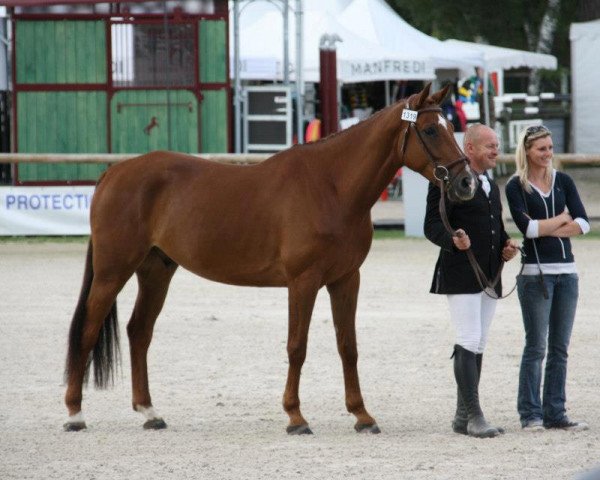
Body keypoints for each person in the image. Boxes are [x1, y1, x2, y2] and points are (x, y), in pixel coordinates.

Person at [424, 123, 519, 438]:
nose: (496, 150)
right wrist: (453, 239)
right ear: (470, 149)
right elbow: (432, 224)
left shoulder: (491, 181)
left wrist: (506, 244)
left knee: (479, 342)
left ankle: (462, 416)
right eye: (490, 145)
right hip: (461, 271)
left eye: (497, 144)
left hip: (490, 272)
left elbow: (493, 223)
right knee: (468, 338)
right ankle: (475, 416)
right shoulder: (450, 180)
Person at [505, 125, 590, 432]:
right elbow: (527, 230)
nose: (547, 153)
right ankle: (530, 414)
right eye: (541, 148)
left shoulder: (563, 181)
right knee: (536, 347)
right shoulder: (516, 186)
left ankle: (555, 412)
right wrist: (561, 220)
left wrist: (547, 227)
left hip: (567, 274)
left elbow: (584, 223)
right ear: (527, 150)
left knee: (559, 348)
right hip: (535, 276)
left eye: (550, 147)